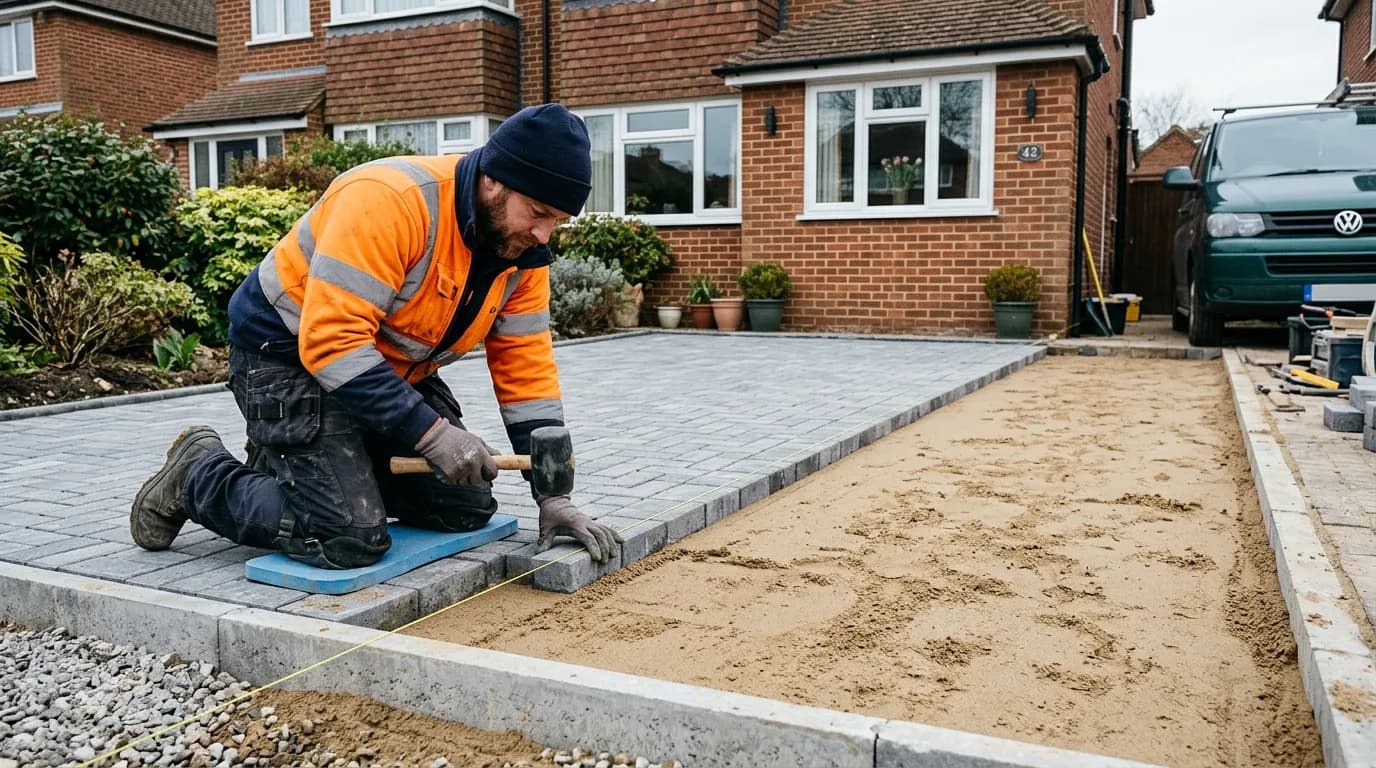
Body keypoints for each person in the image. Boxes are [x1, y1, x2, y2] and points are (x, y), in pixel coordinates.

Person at [129, 103, 622, 569]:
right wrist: (433, 434)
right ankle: (197, 473)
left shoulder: (520, 254)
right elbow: (332, 345)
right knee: (344, 537)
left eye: (557, 220)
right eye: (537, 212)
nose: (544, 234)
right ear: (494, 181)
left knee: (464, 506)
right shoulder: (390, 201)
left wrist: (553, 494)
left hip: (379, 370)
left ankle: (303, 465)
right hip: (286, 357)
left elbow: (525, 365)